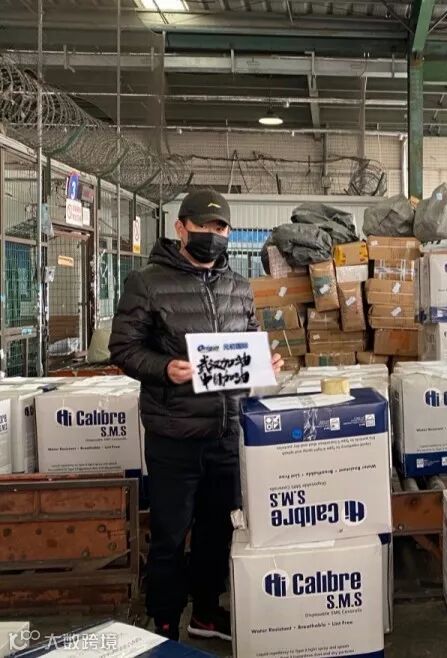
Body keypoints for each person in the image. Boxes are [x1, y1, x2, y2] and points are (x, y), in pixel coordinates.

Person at [110, 190, 283, 642]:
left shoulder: (238, 285)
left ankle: (206, 614)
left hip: (226, 431)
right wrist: (164, 368)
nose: (213, 235)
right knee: (170, 535)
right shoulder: (146, 283)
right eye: (204, 226)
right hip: (175, 435)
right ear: (181, 228)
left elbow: (249, 337)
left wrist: (264, 361)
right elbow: (123, 348)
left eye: (220, 227)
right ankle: (165, 626)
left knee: (217, 531)